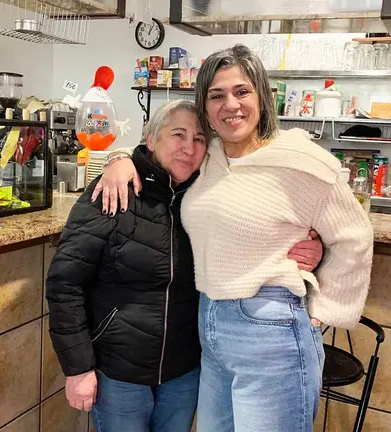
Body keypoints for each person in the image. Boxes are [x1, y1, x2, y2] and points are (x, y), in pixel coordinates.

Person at [94, 44, 374, 432]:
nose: (231, 104)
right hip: (210, 328)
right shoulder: (208, 155)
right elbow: (160, 146)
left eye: (242, 91)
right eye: (217, 95)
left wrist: (326, 306)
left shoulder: (300, 159)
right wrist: (118, 159)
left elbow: (354, 234)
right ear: (205, 106)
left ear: (261, 95)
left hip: (271, 329)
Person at [46, 100, 323, 432]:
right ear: (152, 139)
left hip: (185, 371)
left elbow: (260, 242)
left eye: (200, 139)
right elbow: (65, 284)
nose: (188, 148)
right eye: (178, 134)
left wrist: (312, 249)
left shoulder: (210, 199)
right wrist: (78, 369)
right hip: (118, 373)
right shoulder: (115, 191)